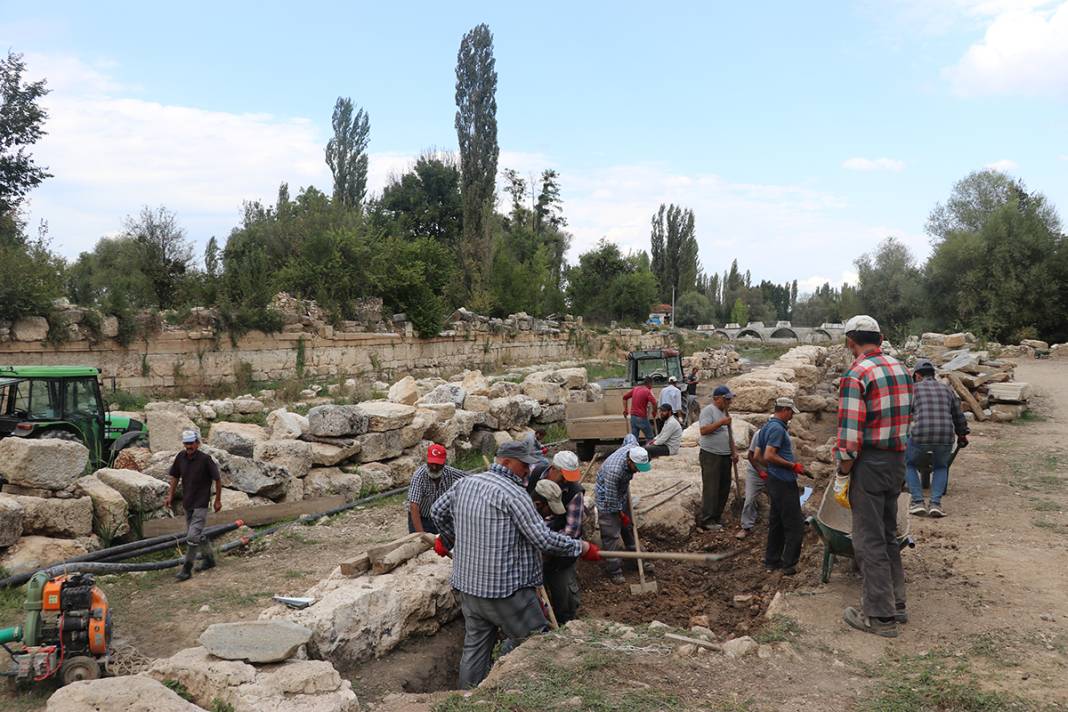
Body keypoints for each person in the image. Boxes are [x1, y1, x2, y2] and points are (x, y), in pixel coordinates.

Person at [430, 439, 601, 688]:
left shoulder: (465, 483)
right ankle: (530, 693)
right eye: (524, 465)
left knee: (475, 648)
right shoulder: (514, 494)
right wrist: (581, 547)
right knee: (535, 642)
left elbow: (437, 512)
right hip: (505, 592)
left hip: (468, 587)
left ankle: (468, 697)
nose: (527, 471)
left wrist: (449, 538)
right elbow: (542, 539)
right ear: (507, 461)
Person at [835, 315, 913, 638]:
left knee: (868, 539)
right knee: (888, 531)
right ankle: (896, 602)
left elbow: (850, 438)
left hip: (869, 462)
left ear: (850, 342)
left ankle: (880, 618)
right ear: (880, 339)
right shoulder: (902, 370)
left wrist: (843, 472)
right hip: (896, 460)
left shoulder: (856, 375)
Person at [905, 359, 969, 518]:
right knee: (941, 466)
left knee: (909, 463)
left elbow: (904, 412)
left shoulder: (913, 390)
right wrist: (962, 434)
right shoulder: (947, 389)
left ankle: (918, 502)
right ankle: (935, 504)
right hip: (945, 436)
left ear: (917, 375)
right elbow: (958, 415)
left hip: (920, 434)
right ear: (933, 375)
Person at [164, 430, 222, 582]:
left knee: (192, 536)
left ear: (197, 443)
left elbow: (217, 479)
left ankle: (187, 569)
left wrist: (217, 500)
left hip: (201, 503)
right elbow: (175, 476)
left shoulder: (205, 459)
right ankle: (209, 559)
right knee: (195, 534)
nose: (189, 446)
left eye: (191, 443)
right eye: (186, 443)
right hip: (188, 502)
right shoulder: (180, 457)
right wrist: (170, 495)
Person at [594, 437, 652, 585]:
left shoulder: (633, 447)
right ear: (630, 462)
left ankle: (637, 560)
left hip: (621, 492)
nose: (639, 471)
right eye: (637, 467)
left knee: (629, 529)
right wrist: (621, 515)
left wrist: (626, 519)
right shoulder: (614, 471)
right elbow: (612, 502)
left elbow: (629, 437)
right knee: (611, 534)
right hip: (607, 499)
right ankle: (614, 570)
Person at [761, 397, 805, 575]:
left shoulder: (766, 427)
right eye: (791, 413)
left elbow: (757, 454)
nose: (792, 416)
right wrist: (791, 466)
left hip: (774, 479)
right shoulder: (777, 429)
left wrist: (767, 472)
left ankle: (772, 560)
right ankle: (789, 564)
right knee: (795, 524)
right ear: (785, 410)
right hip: (783, 481)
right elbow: (769, 455)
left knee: (777, 521)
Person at [531, 478, 582, 624]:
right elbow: (544, 539)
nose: (552, 513)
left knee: (565, 598)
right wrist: (581, 547)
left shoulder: (574, 493)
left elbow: (569, 533)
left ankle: (566, 622)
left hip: (559, 559)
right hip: (535, 567)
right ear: (539, 504)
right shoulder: (527, 516)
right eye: (550, 508)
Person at [697, 385, 738, 530]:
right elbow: (703, 430)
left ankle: (717, 516)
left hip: (725, 455)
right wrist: (721, 422)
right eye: (726, 399)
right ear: (717, 399)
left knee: (724, 487)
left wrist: (734, 451)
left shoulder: (725, 412)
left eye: (730, 399)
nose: (729, 402)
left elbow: (729, 434)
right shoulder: (709, 411)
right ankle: (707, 520)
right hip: (711, 455)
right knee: (711, 488)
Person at [406, 443, 467, 534]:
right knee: (419, 545)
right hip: (421, 517)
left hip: (440, 518)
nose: (434, 467)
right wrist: (421, 534)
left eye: (437, 464)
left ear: (444, 463)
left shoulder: (451, 473)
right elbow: (414, 506)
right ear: (427, 461)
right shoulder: (419, 476)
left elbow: (470, 479)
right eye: (431, 463)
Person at [735, 425, 768, 540]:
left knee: (780, 497)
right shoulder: (760, 435)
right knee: (749, 499)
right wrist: (760, 471)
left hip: (773, 471)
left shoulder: (783, 435)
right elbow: (750, 455)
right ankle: (746, 527)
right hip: (756, 471)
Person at [622, 376, 656, 443]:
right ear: (649, 383)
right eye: (652, 385)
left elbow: (624, 398)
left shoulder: (635, 389)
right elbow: (654, 403)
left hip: (633, 418)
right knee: (650, 437)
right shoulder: (647, 391)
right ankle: (650, 451)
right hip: (641, 417)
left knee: (634, 439)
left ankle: (634, 451)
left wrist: (626, 410)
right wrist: (654, 412)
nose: (652, 386)